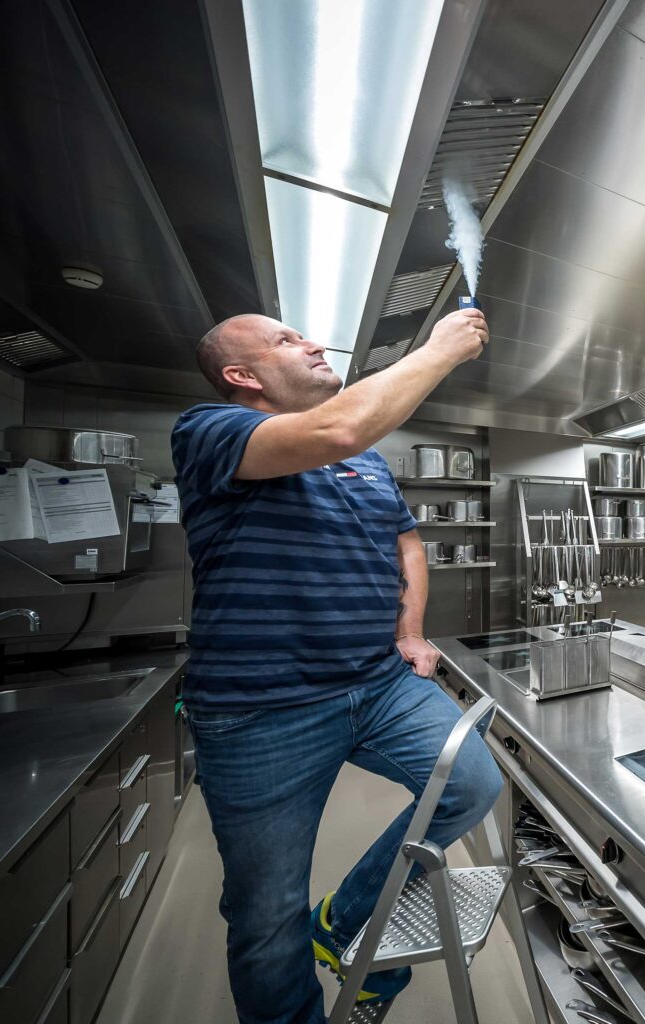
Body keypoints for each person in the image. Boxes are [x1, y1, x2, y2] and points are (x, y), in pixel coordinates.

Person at [170, 307, 503, 1024]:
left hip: (378, 683)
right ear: (242, 375)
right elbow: (340, 426)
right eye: (287, 340)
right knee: (265, 917)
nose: (313, 342)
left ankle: (344, 919)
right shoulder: (209, 430)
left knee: (471, 783)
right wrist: (439, 350)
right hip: (263, 709)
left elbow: (406, 544)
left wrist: (410, 632)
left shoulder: (369, 462)